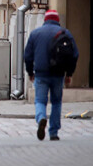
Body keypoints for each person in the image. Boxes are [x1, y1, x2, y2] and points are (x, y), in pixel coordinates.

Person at [24, 9, 79, 141]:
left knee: (40, 100)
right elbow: (74, 54)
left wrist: (30, 72)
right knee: (56, 102)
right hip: (58, 74)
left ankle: (41, 117)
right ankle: (53, 132)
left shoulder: (35, 33)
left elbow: (27, 56)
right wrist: (69, 73)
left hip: (41, 73)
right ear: (57, 20)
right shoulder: (66, 33)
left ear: (45, 20)